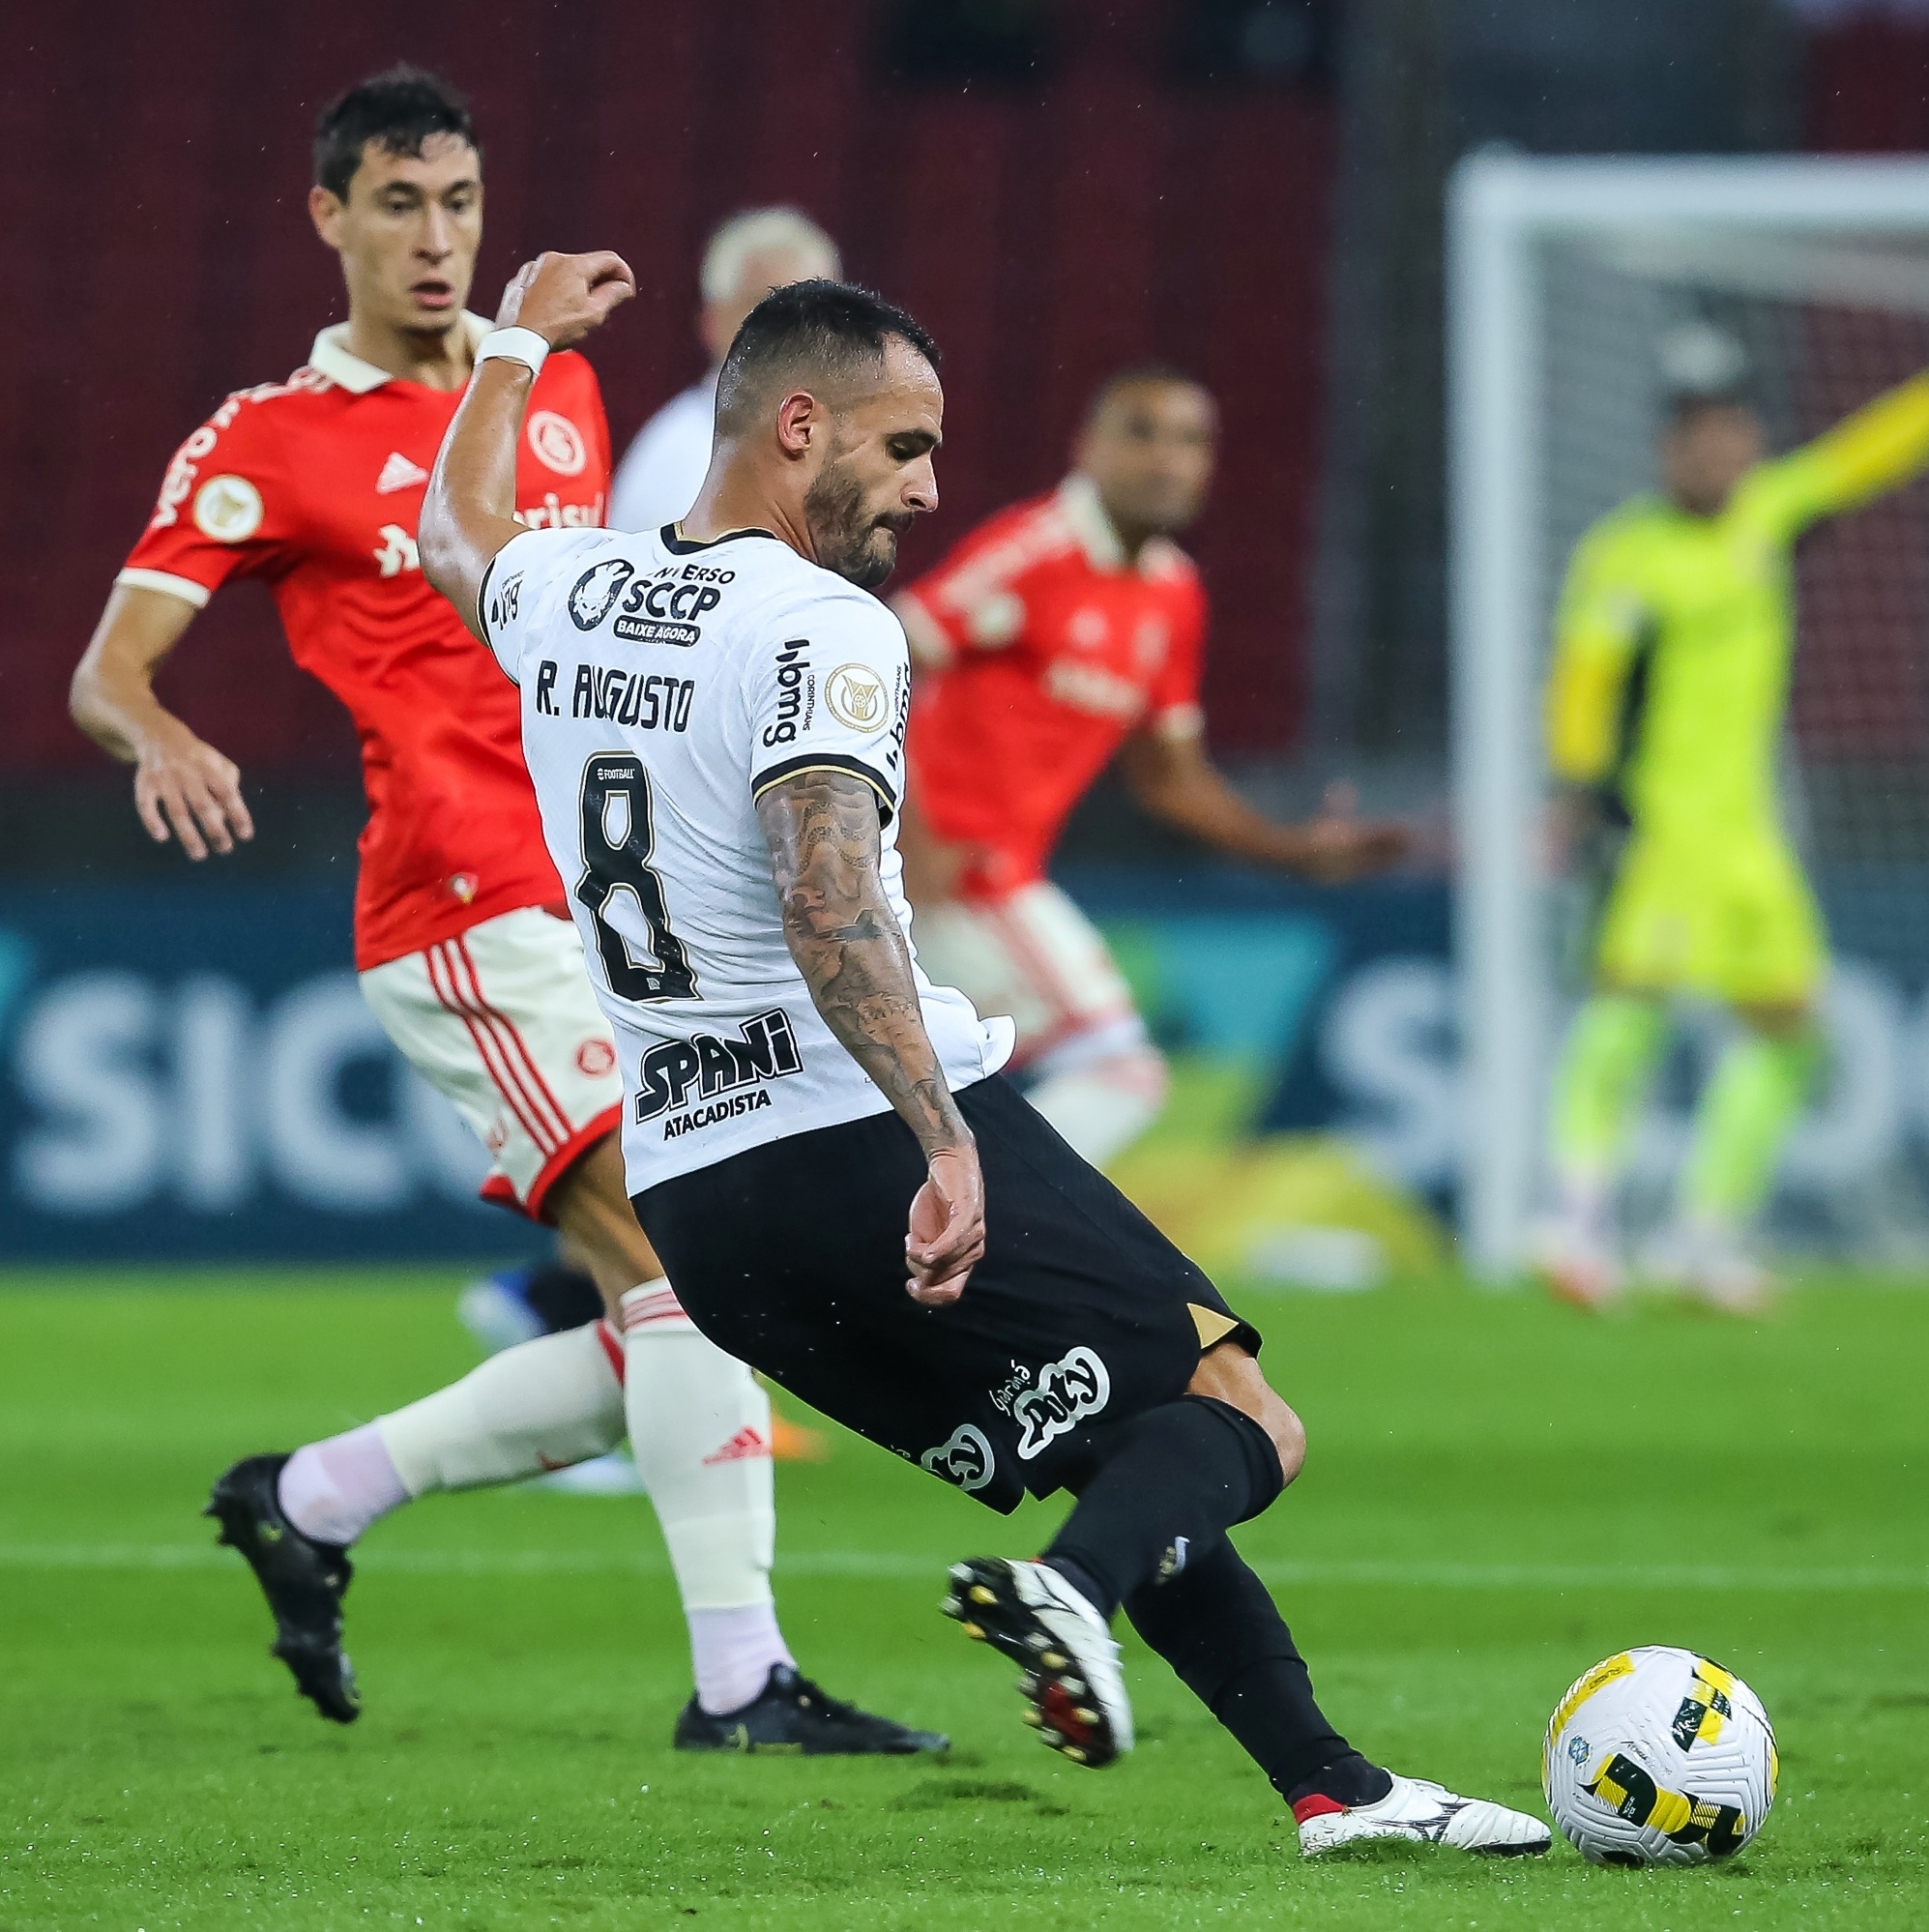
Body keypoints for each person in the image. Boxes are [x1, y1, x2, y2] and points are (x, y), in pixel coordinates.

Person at [420, 254, 1549, 1858]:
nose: (931, 487)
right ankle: (1067, 1591)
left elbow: (454, 533)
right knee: (1244, 1416)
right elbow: (828, 902)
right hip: (851, 1138)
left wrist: (516, 346)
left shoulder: (573, 590)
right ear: (797, 425)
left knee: (1126, 1443)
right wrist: (946, 1136)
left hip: (706, 1212)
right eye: (902, 448)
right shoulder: (826, 627)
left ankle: (1334, 1785)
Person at [68, 66, 939, 1758]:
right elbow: (109, 669)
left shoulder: (553, 399)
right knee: (684, 1269)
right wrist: (161, 728)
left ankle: (316, 1497)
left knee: (693, 1297)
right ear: (329, 218)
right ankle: (743, 1680)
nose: (437, 237)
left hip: (606, 898)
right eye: (398, 204)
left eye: (458, 201)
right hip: (461, 903)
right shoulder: (267, 440)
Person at [892, 368, 1405, 1169]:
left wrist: (1290, 852)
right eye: (1141, 433)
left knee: (935, 1080)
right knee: (1114, 1067)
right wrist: (909, 828)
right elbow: (889, 646)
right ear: (1086, 447)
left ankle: (937, 1240)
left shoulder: (1172, 593)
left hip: (991, 876)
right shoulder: (1039, 548)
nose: (1166, 458)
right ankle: (975, 1241)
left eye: (1190, 441)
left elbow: (1168, 776)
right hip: (953, 871)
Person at [1534, 324, 1929, 1312]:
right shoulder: (1625, 555)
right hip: (1661, 832)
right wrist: (1579, 796)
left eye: (1731, 429)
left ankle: (1701, 1235)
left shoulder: (1769, 514)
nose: (1717, 449)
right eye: (1696, 432)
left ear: (1751, 438)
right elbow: (1581, 690)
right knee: (1628, 1012)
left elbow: (1868, 452)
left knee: (1793, 1031)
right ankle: (1574, 1221)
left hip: (1751, 840)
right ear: (1667, 445)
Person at [608, 207, 840, 535]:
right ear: (713, 323)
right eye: (768, 306)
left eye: (817, 307)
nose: (796, 328)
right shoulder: (680, 459)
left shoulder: (841, 441)